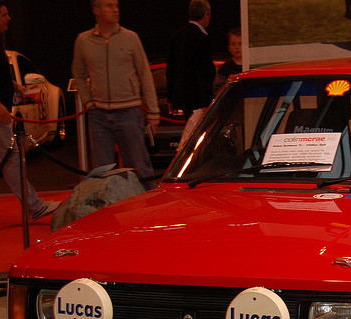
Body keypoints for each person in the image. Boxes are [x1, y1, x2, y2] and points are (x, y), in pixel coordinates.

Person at [0, 0, 60, 222]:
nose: (9, 18)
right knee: (11, 158)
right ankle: (34, 206)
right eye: (4, 14)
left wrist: (15, 86)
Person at [71, 0, 160, 190]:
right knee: (101, 173)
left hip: (129, 111)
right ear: (96, 10)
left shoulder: (130, 38)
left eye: (117, 6)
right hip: (99, 115)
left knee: (140, 168)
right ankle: (108, 213)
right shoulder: (84, 40)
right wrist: (88, 102)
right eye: (109, 6)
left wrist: (153, 111)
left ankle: (151, 211)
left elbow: (145, 74)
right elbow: (78, 73)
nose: (115, 10)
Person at [167, 0, 215, 144]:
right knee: (197, 137)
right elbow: (202, 73)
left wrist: (171, 98)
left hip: (182, 98)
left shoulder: (177, 36)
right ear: (206, 14)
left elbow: (171, 69)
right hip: (198, 100)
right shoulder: (201, 38)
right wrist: (206, 102)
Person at [212, 27, 242, 96]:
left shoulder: (250, 66)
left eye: (240, 44)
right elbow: (218, 89)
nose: (237, 47)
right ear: (229, 47)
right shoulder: (225, 68)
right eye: (233, 44)